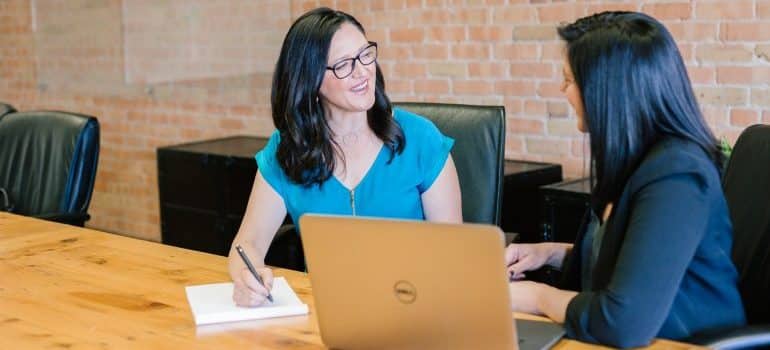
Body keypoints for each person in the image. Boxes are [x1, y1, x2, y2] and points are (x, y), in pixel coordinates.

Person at [504, 11, 746, 347]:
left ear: (607, 91)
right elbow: (631, 258)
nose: (562, 90)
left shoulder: (677, 176)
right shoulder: (634, 159)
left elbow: (622, 322)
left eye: (569, 80)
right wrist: (550, 253)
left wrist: (537, 297)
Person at [228, 7, 462, 307]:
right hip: (325, 313)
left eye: (366, 54)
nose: (363, 71)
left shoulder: (421, 140)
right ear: (310, 80)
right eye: (343, 65)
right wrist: (247, 279)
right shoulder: (287, 151)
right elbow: (246, 244)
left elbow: (454, 256)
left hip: (413, 308)